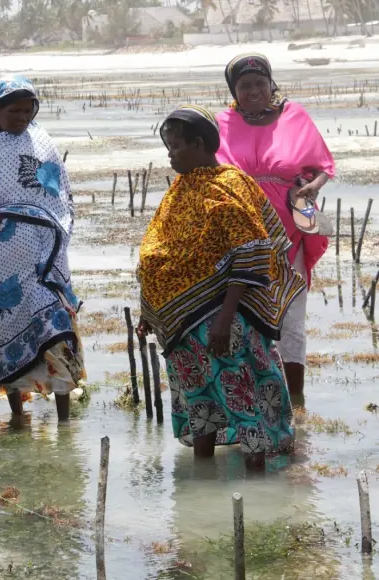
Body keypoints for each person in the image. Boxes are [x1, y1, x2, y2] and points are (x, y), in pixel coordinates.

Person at [137, 105, 306, 468]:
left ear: (199, 144)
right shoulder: (179, 190)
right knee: (200, 405)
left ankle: (259, 479)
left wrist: (225, 318)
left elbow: (251, 251)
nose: (170, 154)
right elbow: (159, 253)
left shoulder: (228, 185)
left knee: (243, 400)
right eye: (168, 146)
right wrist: (148, 310)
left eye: (176, 146)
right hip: (185, 327)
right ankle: (202, 480)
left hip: (224, 321)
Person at [0, 75, 85, 422]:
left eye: (28, 110)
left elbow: (61, 198)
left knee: (56, 329)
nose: (21, 117)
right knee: (6, 332)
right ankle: (18, 416)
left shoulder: (43, 142)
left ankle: (64, 417)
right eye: (14, 111)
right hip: (1, 259)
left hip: (45, 259)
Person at [215, 53, 335, 400]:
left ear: (271, 84)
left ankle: (295, 401)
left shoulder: (294, 116)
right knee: (245, 318)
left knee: (292, 320)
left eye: (260, 83)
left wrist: (315, 187)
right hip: (240, 237)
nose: (254, 91)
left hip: (292, 232)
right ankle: (254, 397)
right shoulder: (220, 123)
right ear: (233, 90)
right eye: (245, 85)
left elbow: (323, 165)